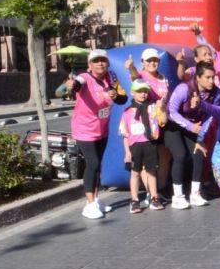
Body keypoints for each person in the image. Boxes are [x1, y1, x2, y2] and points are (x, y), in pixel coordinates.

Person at [65, 48, 127, 219]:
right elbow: (77, 84)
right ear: (89, 64)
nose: (100, 63)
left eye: (103, 60)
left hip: (101, 129)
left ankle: (95, 200)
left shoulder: (111, 77)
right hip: (84, 129)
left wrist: (115, 95)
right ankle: (89, 205)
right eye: (96, 60)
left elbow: (123, 98)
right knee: (92, 163)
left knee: (98, 164)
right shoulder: (85, 77)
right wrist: (72, 85)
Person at [166, 62, 220, 210]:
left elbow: (212, 115)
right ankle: (177, 197)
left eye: (213, 77)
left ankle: (195, 194)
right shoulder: (184, 89)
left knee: (199, 154)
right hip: (173, 125)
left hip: (194, 127)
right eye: (208, 78)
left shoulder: (216, 93)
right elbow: (171, 112)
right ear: (198, 78)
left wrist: (200, 137)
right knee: (180, 155)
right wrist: (191, 126)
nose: (212, 81)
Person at [119, 80, 167, 214]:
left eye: (145, 91)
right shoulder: (127, 112)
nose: (143, 94)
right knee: (135, 173)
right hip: (135, 146)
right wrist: (127, 152)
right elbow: (125, 134)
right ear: (132, 93)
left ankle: (154, 197)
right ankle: (134, 200)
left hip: (150, 144)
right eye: (139, 91)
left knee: (151, 171)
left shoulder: (152, 107)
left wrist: (162, 108)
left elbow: (163, 120)